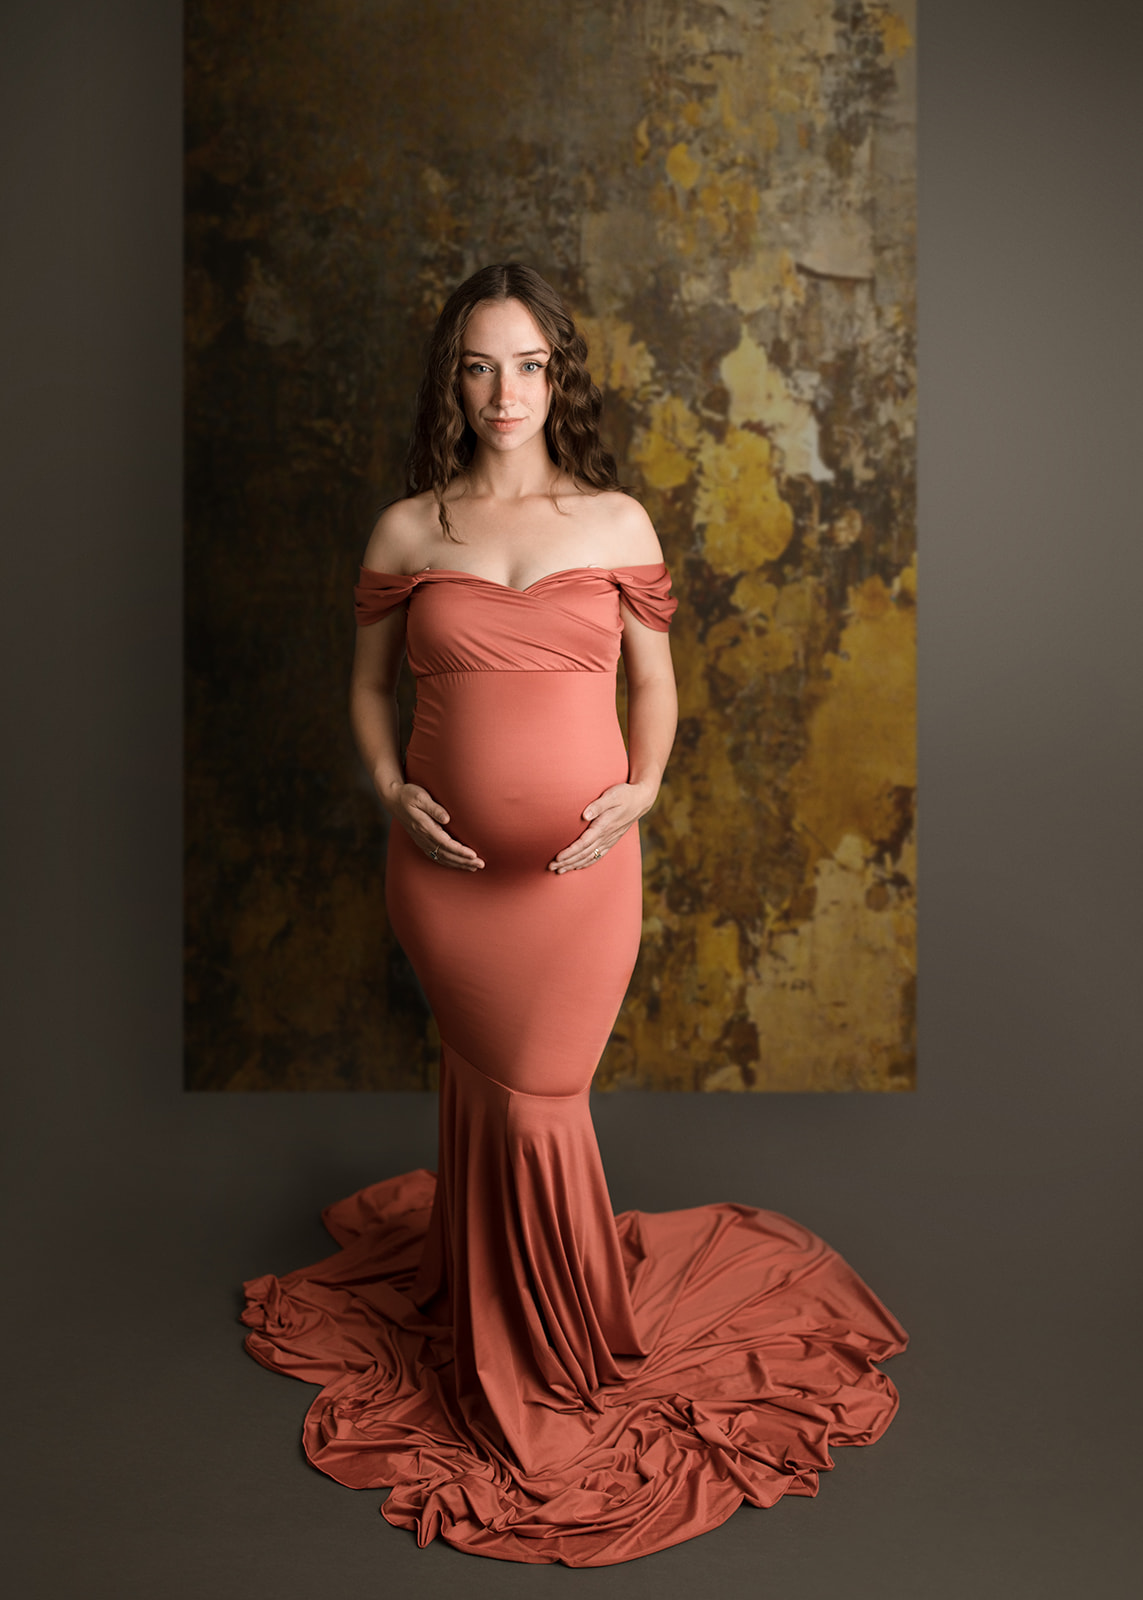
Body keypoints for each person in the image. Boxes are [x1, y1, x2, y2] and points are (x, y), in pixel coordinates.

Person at [241, 263, 907, 1567]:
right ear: (453, 379)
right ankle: (506, 1324)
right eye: (480, 366)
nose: (505, 391)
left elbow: (655, 689)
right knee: (495, 1088)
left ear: (561, 376)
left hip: (581, 882)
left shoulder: (615, 522)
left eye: (530, 364)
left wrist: (641, 794)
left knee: (543, 1089)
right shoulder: (406, 530)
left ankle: (556, 1350)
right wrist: (391, 790)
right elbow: (370, 692)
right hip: (444, 882)